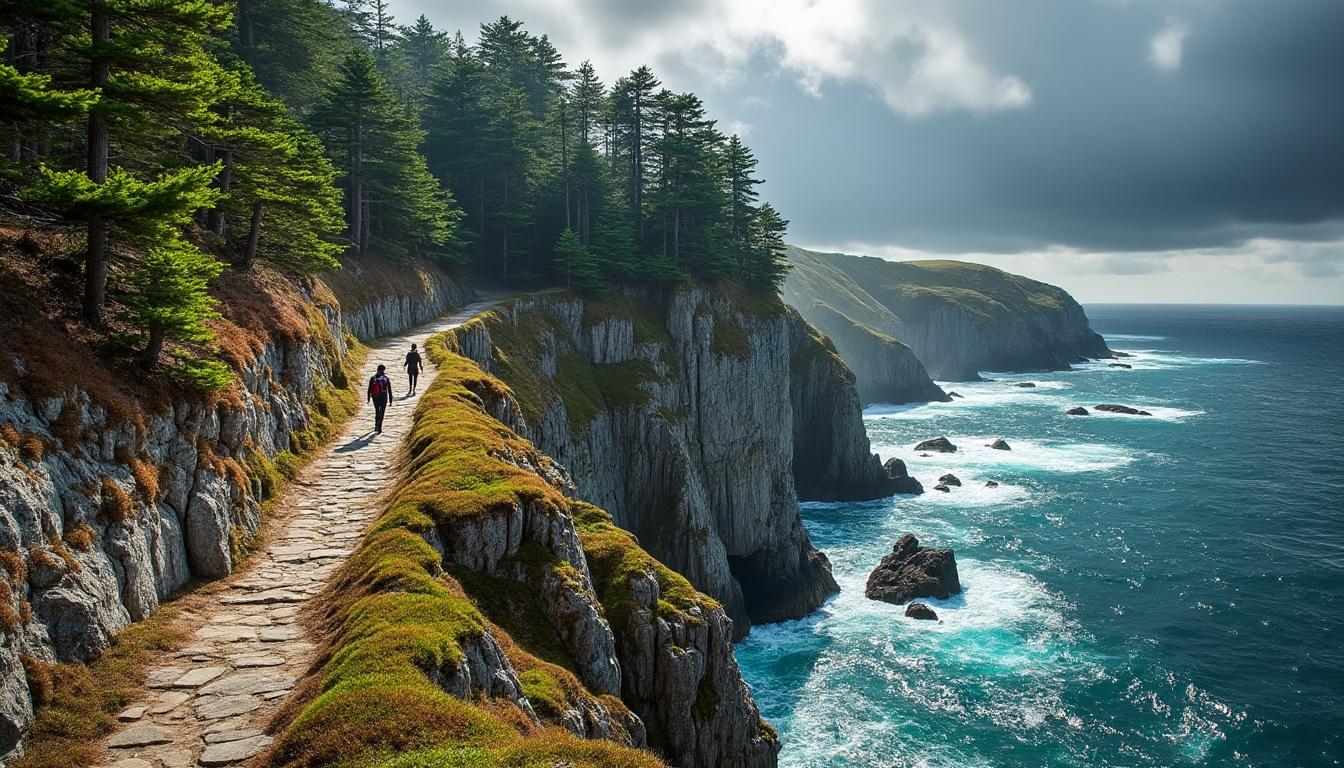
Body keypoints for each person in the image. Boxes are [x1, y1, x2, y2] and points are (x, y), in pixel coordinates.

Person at [367, 364, 393, 434]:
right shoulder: (386, 378)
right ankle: (379, 427)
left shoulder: (373, 378)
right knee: (382, 412)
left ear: (377, 369)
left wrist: (368, 398)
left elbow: (369, 389)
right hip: (383, 397)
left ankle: (376, 425)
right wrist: (390, 400)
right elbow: (389, 390)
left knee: (377, 411)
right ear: (384, 370)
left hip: (375, 397)